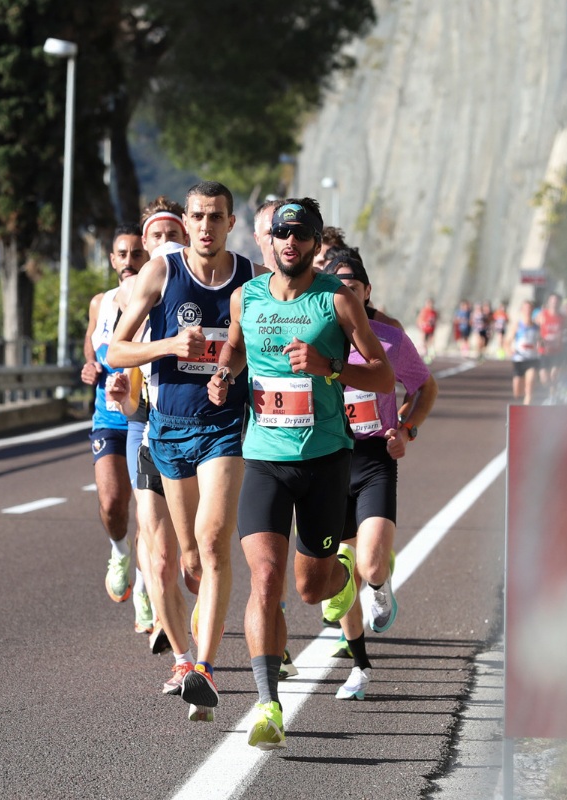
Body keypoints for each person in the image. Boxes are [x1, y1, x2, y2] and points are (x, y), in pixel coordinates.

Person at [207, 198, 394, 750]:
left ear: (315, 243)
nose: (290, 242)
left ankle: (342, 570)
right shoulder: (248, 297)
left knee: (310, 589)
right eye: (282, 233)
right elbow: (236, 352)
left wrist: (329, 366)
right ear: (269, 241)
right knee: (265, 577)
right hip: (264, 455)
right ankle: (268, 705)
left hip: (324, 459)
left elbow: (383, 376)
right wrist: (222, 375)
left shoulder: (336, 301)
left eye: (302, 234)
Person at [106, 180, 261, 723]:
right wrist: (169, 345)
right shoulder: (163, 272)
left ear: (230, 222)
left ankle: (203, 669)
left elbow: (253, 348)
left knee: (213, 543)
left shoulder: (250, 279)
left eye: (215, 217)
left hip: (223, 426)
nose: (204, 226)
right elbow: (116, 350)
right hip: (168, 427)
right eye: (196, 216)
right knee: (187, 560)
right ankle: (187, 652)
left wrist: (229, 370)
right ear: (188, 219)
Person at [322, 248, 438, 701]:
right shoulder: (315, 337)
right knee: (340, 572)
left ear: (367, 292)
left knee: (368, 563)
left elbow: (425, 386)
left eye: (354, 285)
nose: (346, 291)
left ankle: (380, 581)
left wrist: (406, 429)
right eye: (338, 285)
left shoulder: (388, 339)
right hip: (327, 460)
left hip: (373, 459)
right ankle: (359, 665)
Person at [80, 224, 147, 624]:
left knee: (150, 514)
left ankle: (145, 590)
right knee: (111, 502)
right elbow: (92, 340)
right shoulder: (100, 303)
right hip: (108, 417)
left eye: (136, 254)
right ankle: (119, 552)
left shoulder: (158, 296)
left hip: (146, 416)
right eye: (121, 254)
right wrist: (90, 365)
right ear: (112, 259)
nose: (129, 261)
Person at [505, 300, 541, 405]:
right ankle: (521, 402)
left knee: (530, 386)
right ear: (522, 310)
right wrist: (509, 350)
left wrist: (541, 345)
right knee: (517, 392)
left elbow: (540, 340)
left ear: (533, 310)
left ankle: (526, 411)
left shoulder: (536, 327)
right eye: (525, 308)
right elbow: (507, 341)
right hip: (519, 359)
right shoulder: (517, 325)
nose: (528, 311)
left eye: (530, 309)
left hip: (532, 359)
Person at [535, 292, 566, 398]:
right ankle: (552, 391)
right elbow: (536, 330)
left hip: (557, 351)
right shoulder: (542, 315)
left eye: (556, 301)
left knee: (554, 375)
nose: (554, 304)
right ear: (548, 302)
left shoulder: (563, 318)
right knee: (544, 379)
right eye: (552, 301)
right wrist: (539, 341)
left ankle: (553, 396)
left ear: (560, 303)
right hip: (544, 351)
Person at [416, 297, 438, 362]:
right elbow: (419, 320)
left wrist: (433, 325)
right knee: (424, 342)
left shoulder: (434, 312)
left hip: (431, 329)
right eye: (428, 303)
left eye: (431, 304)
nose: (430, 305)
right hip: (424, 329)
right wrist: (421, 326)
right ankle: (424, 353)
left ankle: (429, 354)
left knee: (430, 342)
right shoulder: (424, 311)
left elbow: (435, 320)